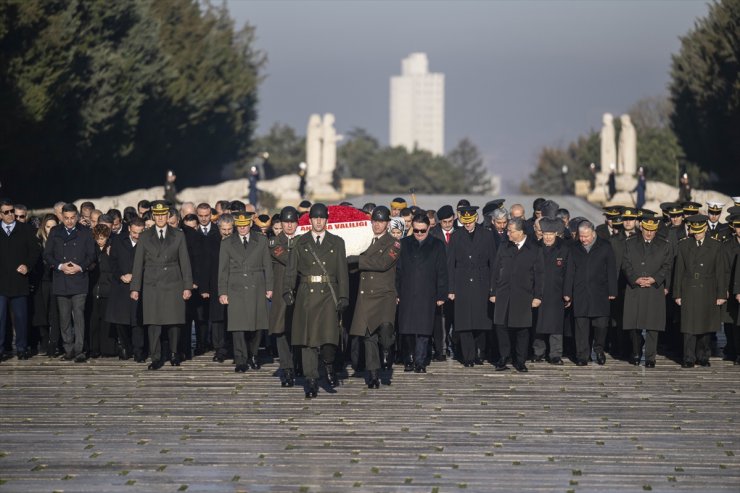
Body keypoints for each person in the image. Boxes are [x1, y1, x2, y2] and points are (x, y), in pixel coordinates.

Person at [283, 203, 349, 398]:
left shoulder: (337, 242)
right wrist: (288, 290)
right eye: (315, 218)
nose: (319, 221)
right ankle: (311, 380)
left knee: (329, 338)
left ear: (327, 220)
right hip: (306, 294)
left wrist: (344, 295)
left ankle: (328, 365)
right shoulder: (299, 242)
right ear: (310, 220)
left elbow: (342, 273)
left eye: (322, 218)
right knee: (308, 340)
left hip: (329, 294)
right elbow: (291, 270)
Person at [130, 200, 193, 370]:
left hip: (173, 282)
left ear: (168, 215)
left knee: (174, 322)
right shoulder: (144, 236)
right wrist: (135, 287)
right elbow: (138, 264)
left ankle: (174, 353)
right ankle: (156, 357)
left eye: (162, 214)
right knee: (153, 323)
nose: (159, 218)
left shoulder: (178, 235)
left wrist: (187, 286)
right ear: (153, 216)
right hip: (152, 283)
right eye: (156, 215)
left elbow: (185, 262)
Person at [348, 206, 401, 388]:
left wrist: (357, 260)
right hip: (366, 294)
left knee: (385, 332)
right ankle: (373, 374)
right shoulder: (364, 241)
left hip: (384, 294)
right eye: (375, 221)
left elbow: (382, 263)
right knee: (369, 336)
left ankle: (387, 348)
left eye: (381, 222)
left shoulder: (394, 243)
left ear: (387, 223)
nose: (377, 225)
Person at [218, 212, 273, 373]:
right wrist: (223, 291)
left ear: (250, 224)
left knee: (258, 325)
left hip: (257, 285)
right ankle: (241, 359)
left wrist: (270, 287)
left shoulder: (261, 240)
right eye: (239, 226)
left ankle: (254, 355)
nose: (242, 228)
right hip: (235, 287)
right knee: (238, 327)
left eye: (245, 225)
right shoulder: (227, 243)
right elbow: (223, 270)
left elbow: (267, 266)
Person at [44, 203, 96, 363]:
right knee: (64, 318)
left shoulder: (86, 232)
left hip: (79, 280)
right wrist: (60, 266)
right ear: (62, 217)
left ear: (77, 217)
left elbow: (91, 256)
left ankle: (79, 350)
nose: (69, 221)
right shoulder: (55, 232)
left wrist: (80, 267)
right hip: (61, 279)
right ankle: (68, 349)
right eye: (66, 218)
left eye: (72, 218)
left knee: (79, 315)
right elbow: (48, 255)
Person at [396, 213, 448, 373]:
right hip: (406, 291)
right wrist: (395, 292)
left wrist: (441, 294)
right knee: (407, 329)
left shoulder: (437, 245)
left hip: (427, 292)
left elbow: (442, 271)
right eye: (416, 230)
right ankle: (409, 359)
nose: (419, 234)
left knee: (424, 330)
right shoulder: (402, 244)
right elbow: (396, 270)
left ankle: (420, 361)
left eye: (422, 231)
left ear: (428, 229)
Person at [673, 215, 727, 367]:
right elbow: (679, 271)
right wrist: (677, 294)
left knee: (706, 325)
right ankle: (688, 358)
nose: (696, 234)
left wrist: (721, 294)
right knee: (688, 326)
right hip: (689, 288)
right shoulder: (684, 245)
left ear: (705, 229)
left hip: (708, 289)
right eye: (694, 230)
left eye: (699, 231)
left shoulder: (716, 246)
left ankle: (703, 356)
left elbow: (720, 272)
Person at [490, 216, 543, 372]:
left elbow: (539, 275)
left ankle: (520, 360)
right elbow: (495, 270)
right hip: (504, 293)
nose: (508, 234)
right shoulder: (504, 246)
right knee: (501, 327)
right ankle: (504, 357)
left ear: (521, 232)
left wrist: (538, 296)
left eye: (511, 231)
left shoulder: (534, 249)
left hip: (524, 295)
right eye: (507, 231)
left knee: (522, 330)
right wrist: (493, 291)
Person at [448, 206, 497, 367]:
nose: (468, 224)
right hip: (462, 282)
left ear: (476, 218)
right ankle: (468, 357)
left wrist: (493, 288)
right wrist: (451, 289)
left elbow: (493, 263)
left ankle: (479, 353)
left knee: (481, 321)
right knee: (464, 323)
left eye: (470, 221)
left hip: (482, 282)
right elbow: (450, 264)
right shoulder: (456, 237)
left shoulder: (487, 235)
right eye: (465, 222)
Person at [621, 213, 672, 367]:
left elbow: (667, 265)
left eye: (652, 230)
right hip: (635, 288)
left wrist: (655, 279)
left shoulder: (664, 244)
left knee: (653, 326)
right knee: (633, 324)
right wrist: (635, 278)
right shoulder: (629, 243)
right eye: (647, 229)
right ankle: (636, 353)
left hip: (653, 288)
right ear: (641, 227)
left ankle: (650, 357)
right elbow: (625, 263)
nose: (649, 233)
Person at [564, 220, 617, 366]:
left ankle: (599, 350)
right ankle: (582, 355)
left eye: (586, 236)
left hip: (600, 293)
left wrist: (612, 290)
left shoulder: (605, 246)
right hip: (580, 292)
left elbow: (611, 270)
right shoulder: (574, 248)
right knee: (581, 326)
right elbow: (569, 272)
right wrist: (567, 292)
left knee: (601, 325)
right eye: (581, 236)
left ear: (593, 233)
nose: (583, 239)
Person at [0, 199, 41, 360]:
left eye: (12, 211)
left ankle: (22, 348)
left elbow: (35, 252)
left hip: (19, 281)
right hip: (1, 282)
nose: (10, 215)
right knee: (0, 318)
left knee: (21, 318)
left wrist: (27, 265)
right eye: (6, 212)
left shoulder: (25, 229)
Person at [105, 217, 146, 362]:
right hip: (121, 285)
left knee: (137, 321)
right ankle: (125, 347)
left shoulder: (146, 242)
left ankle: (138, 350)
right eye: (134, 232)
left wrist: (135, 276)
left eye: (140, 233)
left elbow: (149, 263)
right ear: (129, 229)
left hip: (139, 286)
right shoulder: (118, 241)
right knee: (121, 321)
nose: (137, 236)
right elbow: (112, 262)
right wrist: (121, 275)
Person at [268, 207, 300, 386]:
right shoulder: (275, 242)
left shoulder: (303, 240)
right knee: (281, 332)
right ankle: (287, 369)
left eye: (292, 222)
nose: (289, 225)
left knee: (299, 331)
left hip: (300, 292)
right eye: (286, 222)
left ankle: (298, 364)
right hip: (281, 293)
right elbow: (291, 260)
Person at [533, 217, 569, 365]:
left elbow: (569, 273)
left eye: (551, 234)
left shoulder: (564, 249)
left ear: (556, 234)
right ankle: (538, 352)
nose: (548, 237)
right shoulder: (535, 247)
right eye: (545, 234)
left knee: (556, 325)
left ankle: (555, 354)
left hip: (556, 293)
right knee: (538, 324)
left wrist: (567, 293)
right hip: (538, 292)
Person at [30, 214, 61, 357]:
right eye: (48, 227)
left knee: (55, 313)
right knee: (41, 312)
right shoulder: (37, 242)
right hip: (41, 281)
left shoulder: (60, 241)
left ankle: (54, 343)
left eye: (53, 227)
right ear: (44, 227)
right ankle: (44, 340)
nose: (50, 230)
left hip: (56, 281)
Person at [429, 204, 456, 360]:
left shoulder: (459, 234)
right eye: (444, 221)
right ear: (439, 222)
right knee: (440, 319)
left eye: (450, 220)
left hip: (456, 283)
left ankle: (454, 345)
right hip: (438, 283)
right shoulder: (433, 235)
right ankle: (440, 349)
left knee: (454, 318)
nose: (448, 224)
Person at [88, 224, 117, 357]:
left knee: (107, 321)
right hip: (94, 290)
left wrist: (111, 255)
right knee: (94, 321)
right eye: (98, 238)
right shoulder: (91, 249)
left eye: (103, 238)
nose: (100, 240)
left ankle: (108, 349)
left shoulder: (111, 249)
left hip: (107, 289)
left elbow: (113, 268)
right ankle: (94, 348)